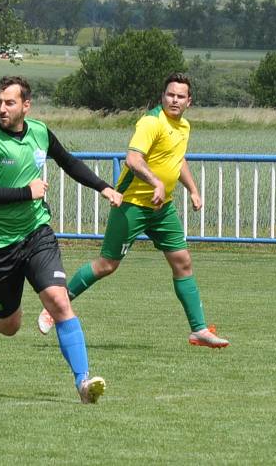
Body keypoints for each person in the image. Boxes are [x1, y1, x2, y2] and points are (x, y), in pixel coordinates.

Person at [36, 73, 230, 349]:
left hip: (162, 208)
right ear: (162, 96)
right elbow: (133, 158)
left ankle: (199, 329)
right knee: (106, 265)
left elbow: (177, 158)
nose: (174, 100)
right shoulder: (151, 122)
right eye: (170, 95)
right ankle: (54, 307)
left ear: (189, 101)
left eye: (180, 96)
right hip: (132, 205)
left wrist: (193, 190)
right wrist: (156, 183)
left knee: (182, 262)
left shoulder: (183, 126)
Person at [0, 76, 122, 404]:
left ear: (26, 105)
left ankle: (83, 382)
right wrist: (27, 192)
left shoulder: (39, 131)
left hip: (36, 234)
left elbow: (69, 162)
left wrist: (103, 187)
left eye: (10, 103)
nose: (2, 108)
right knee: (10, 325)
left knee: (60, 302)